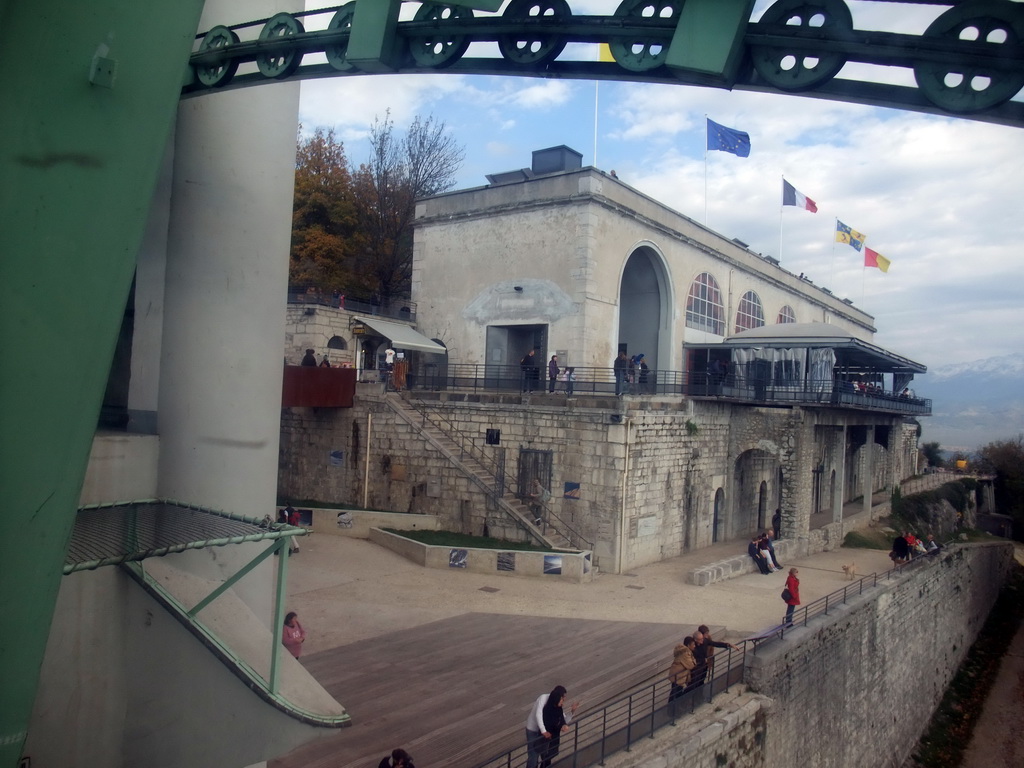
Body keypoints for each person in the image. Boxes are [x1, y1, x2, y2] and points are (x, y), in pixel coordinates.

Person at [525, 685, 578, 768]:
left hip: (544, 733)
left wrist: (572, 712)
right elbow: (538, 715)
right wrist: (544, 731)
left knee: (545, 755)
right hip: (533, 729)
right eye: (563, 696)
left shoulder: (557, 706)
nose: (564, 699)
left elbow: (562, 720)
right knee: (533, 756)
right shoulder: (543, 699)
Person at [667, 636, 696, 706]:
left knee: (675, 693)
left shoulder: (684, 651)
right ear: (689, 645)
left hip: (677, 676)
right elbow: (691, 665)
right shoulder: (685, 653)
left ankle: (672, 711)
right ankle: (672, 711)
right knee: (676, 694)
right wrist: (694, 661)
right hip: (678, 677)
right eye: (693, 645)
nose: (694, 646)